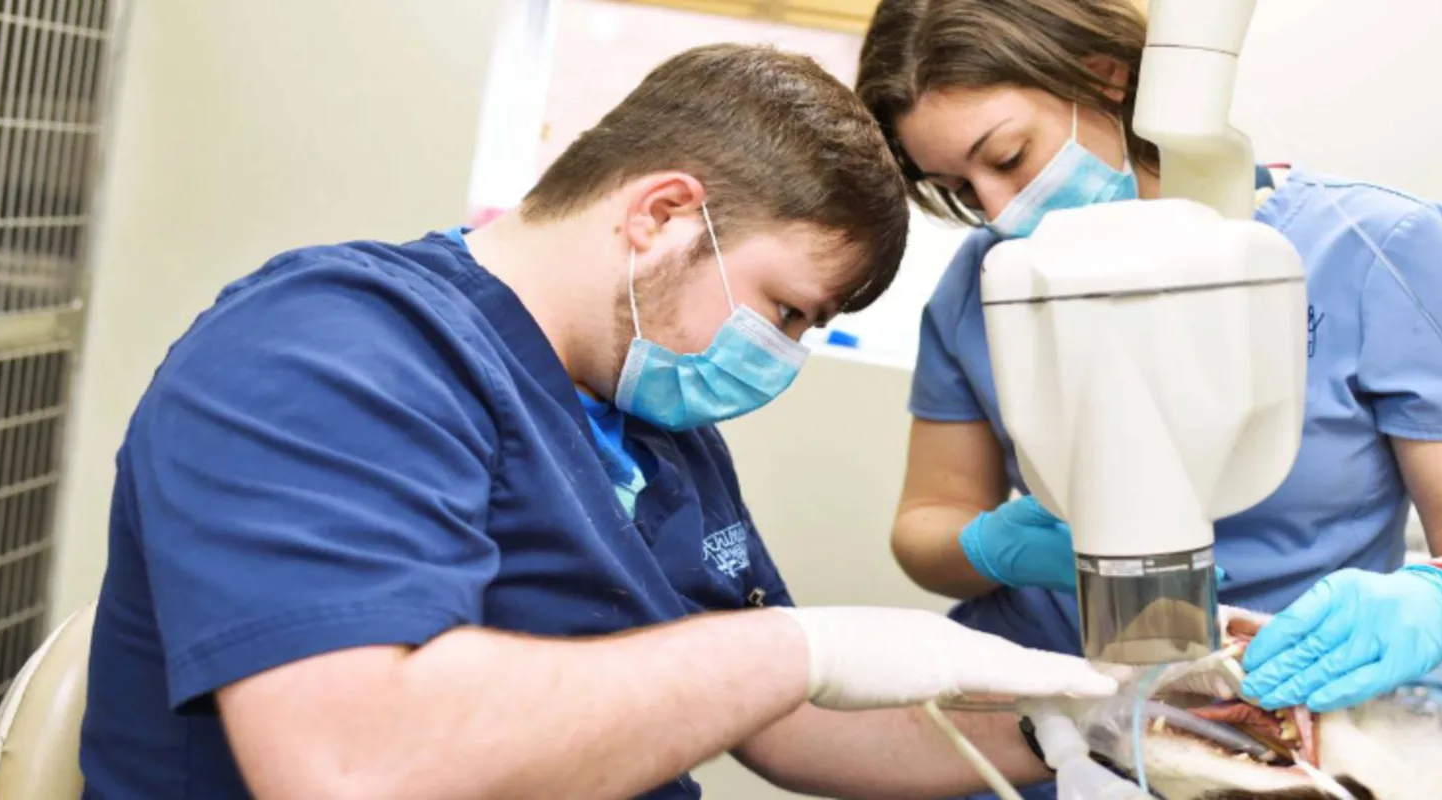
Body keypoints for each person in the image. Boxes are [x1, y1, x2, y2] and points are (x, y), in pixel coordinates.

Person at [77, 44, 1118, 800]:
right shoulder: (330, 352)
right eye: (787, 310)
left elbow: (791, 721)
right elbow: (357, 762)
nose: (785, 356)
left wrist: (1088, 722)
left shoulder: (651, 426)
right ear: (661, 215)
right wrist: (794, 647)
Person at [857, 0, 1442, 724]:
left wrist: (1438, 597)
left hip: (1279, 706)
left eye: (1008, 158)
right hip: (1048, 701)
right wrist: (990, 548)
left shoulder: (1375, 251)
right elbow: (925, 526)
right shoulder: (988, 284)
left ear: (1103, 77)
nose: (999, 212)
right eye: (960, 190)